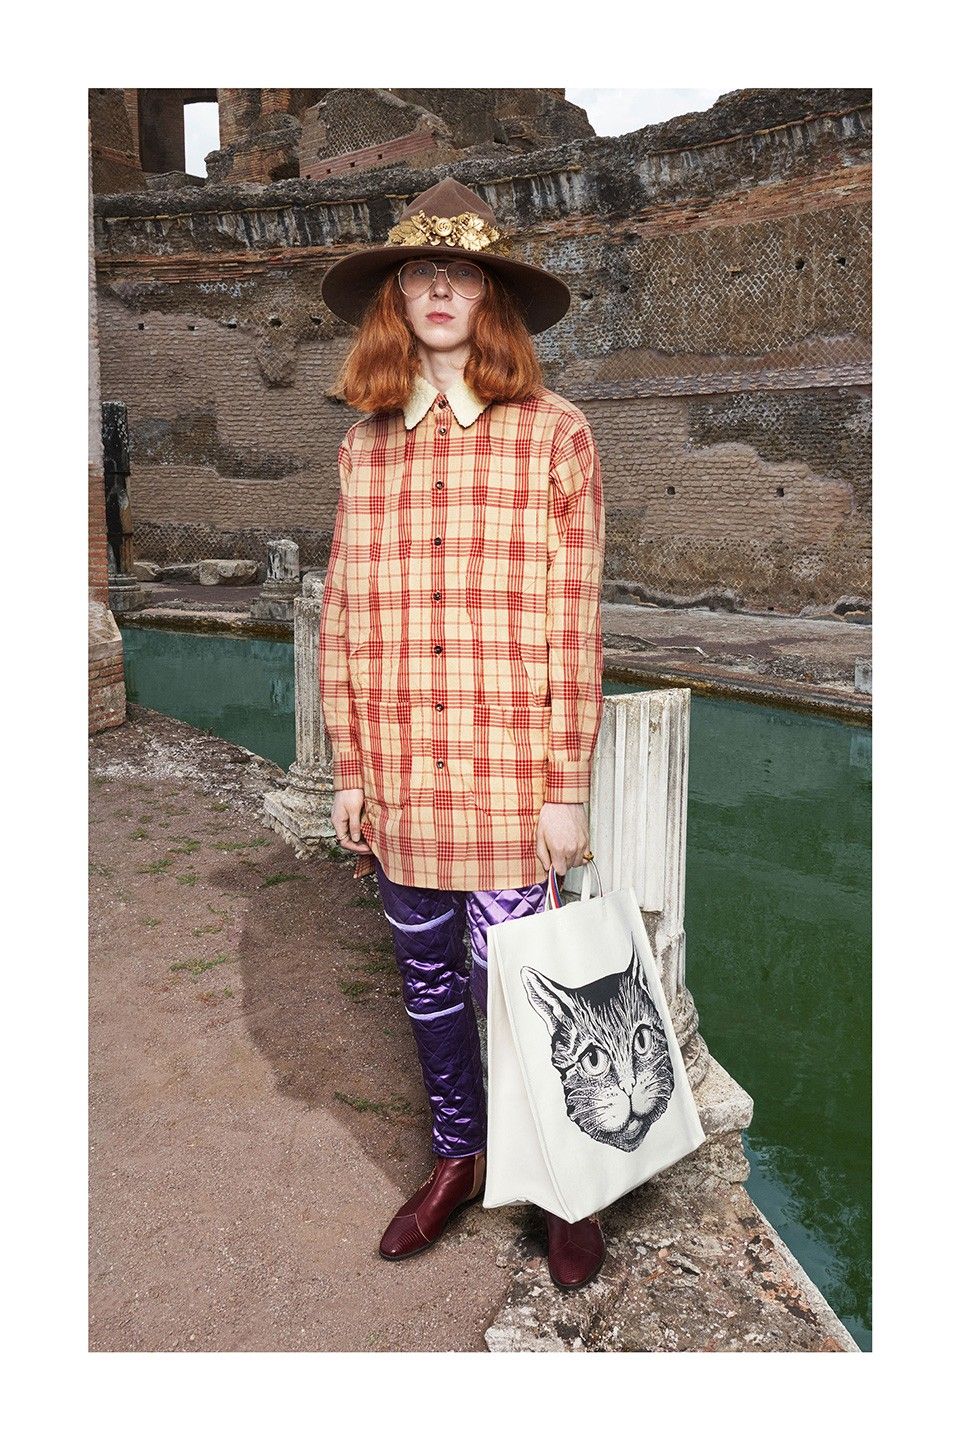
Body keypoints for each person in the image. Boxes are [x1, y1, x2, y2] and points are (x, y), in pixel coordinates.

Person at [318, 178, 606, 1289]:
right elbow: (343, 613)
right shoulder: (364, 446)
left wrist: (564, 785)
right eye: (420, 274)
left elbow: (572, 623)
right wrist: (350, 768)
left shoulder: (556, 436)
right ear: (397, 297)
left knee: (519, 987)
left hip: (506, 774)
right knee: (428, 983)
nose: (440, 290)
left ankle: (561, 1180)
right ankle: (457, 1158)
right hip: (400, 769)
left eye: (463, 275)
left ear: (491, 299)